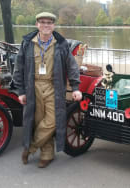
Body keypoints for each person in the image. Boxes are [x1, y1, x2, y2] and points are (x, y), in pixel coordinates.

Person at [13, 12, 82, 168]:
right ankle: (47, 154)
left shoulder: (61, 44)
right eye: (42, 22)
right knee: (38, 120)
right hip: (33, 87)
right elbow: (19, 67)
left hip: (53, 87)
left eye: (49, 22)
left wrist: (75, 87)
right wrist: (21, 91)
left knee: (53, 121)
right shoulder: (27, 43)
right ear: (37, 24)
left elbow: (72, 66)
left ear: (53, 26)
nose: (46, 25)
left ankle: (30, 147)